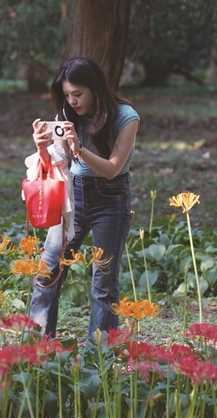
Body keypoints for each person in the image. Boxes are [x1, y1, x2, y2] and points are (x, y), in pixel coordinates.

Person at [29, 56, 140, 340]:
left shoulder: (126, 117)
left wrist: (79, 149)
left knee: (103, 282)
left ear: (95, 89)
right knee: (47, 272)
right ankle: (38, 349)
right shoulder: (66, 115)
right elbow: (57, 160)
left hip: (111, 198)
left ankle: (97, 361)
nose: (72, 101)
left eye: (78, 94)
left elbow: (113, 169)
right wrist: (42, 148)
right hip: (73, 193)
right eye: (67, 95)